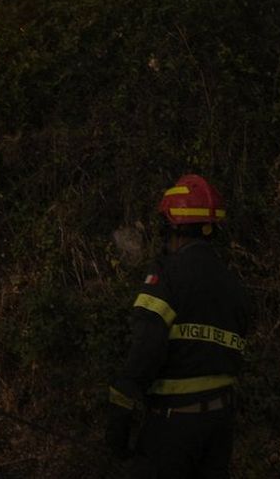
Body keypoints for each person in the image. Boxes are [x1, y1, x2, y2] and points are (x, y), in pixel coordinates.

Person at [106, 174, 253, 478]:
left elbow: (146, 347)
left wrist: (120, 411)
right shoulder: (233, 284)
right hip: (221, 425)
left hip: (173, 426)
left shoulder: (167, 274)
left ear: (174, 228)